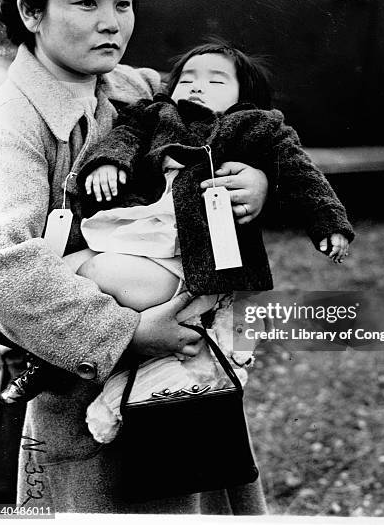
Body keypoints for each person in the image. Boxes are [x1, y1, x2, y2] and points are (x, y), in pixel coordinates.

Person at [0, 0, 268, 513]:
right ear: (32, 12)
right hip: (80, 385)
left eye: (123, 1)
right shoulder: (10, 126)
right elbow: (0, 263)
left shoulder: (135, 91)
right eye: (86, 3)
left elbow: (226, 119)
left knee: (202, 491)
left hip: (180, 370)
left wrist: (257, 177)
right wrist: (127, 335)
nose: (112, 23)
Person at [59, 42, 354, 445]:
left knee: (97, 273)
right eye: (188, 78)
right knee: (62, 265)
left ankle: (123, 393)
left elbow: (301, 172)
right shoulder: (157, 113)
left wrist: (328, 222)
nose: (197, 87)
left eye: (216, 81)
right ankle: (80, 366)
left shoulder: (256, 126)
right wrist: (109, 161)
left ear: (242, 96)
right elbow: (124, 135)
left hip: (189, 259)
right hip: (141, 230)